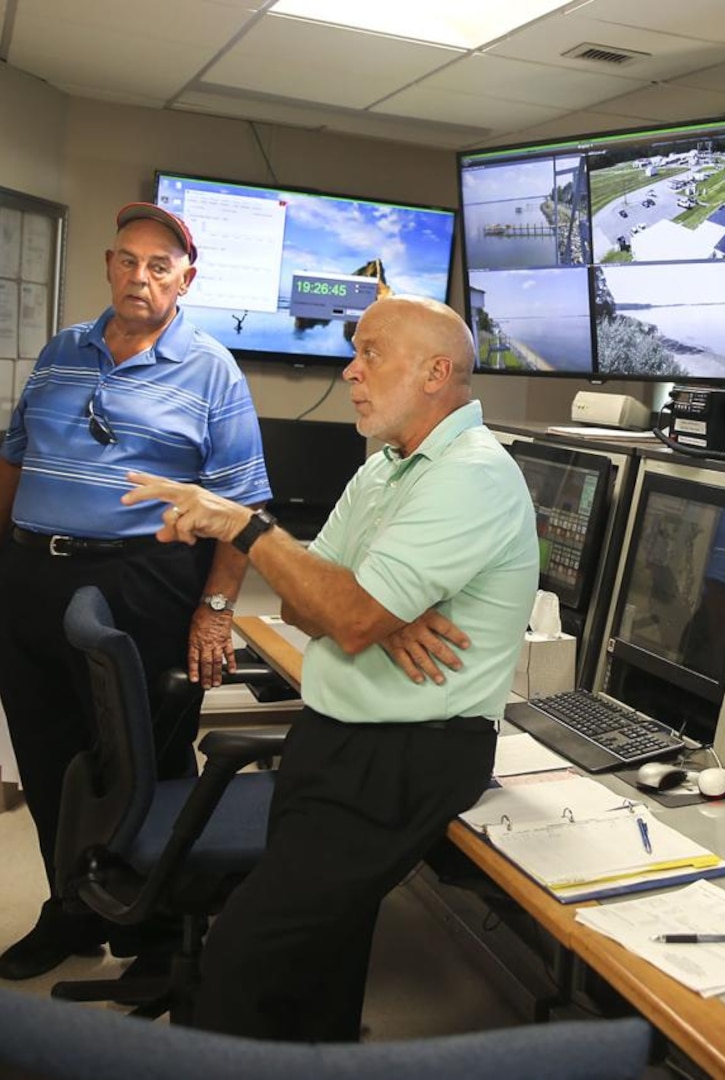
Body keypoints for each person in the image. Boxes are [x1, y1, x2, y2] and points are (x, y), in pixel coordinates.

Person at [123, 294, 538, 1041]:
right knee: (319, 967)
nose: (350, 370)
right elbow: (307, 605)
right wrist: (370, 617)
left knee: (244, 960)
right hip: (336, 736)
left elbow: (340, 612)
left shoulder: (472, 474)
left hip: (407, 755)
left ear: (437, 372)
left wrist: (247, 528)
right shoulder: (387, 467)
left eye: (371, 353)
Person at [0, 203, 272, 981]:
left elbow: (244, 507)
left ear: (186, 280)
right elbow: (15, 461)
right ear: (107, 265)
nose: (140, 277)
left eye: (160, 266)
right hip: (32, 574)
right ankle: (73, 910)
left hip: (144, 581)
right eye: (128, 260)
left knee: (147, 760)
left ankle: (157, 931)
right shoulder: (62, 351)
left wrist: (214, 610)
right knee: (52, 752)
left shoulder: (211, 371)